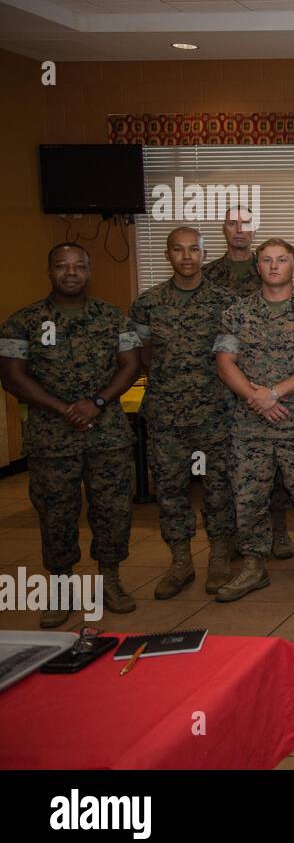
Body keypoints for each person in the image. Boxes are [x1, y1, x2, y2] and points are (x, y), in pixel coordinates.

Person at [0, 243, 141, 627]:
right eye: (62, 266)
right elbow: (12, 376)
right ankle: (61, 588)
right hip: (51, 436)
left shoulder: (113, 318)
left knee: (113, 510)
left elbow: (130, 365)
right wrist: (63, 409)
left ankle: (110, 581)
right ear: (50, 271)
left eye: (78, 266)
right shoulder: (22, 321)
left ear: (89, 270)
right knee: (55, 513)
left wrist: (96, 401)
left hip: (107, 432)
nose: (71, 272)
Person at [212, 238, 294, 602]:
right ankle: (253, 566)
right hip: (250, 426)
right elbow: (224, 362)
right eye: (266, 260)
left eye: (282, 260)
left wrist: (275, 393)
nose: (274, 266)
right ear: (257, 266)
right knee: (248, 500)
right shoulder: (237, 313)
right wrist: (256, 398)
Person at [128, 227, 238, 599]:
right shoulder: (148, 303)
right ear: (167, 254)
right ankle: (180, 562)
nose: (187, 256)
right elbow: (143, 355)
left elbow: (235, 357)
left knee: (218, 489)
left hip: (215, 413)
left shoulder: (225, 302)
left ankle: (220, 558)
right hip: (166, 415)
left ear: (204, 253)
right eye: (179, 249)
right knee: (171, 491)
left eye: (194, 249)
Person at [204, 205, 294, 558]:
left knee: (281, 468)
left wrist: (267, 394)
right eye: (231, 223)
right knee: (233, 474)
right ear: (223, 229)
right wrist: (250, 395)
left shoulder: (275, 274)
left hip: (276, 388)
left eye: (246, 223)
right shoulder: (209, 276)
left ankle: (280, 529)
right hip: (224, 391)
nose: (239, 229)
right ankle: (231, 546)